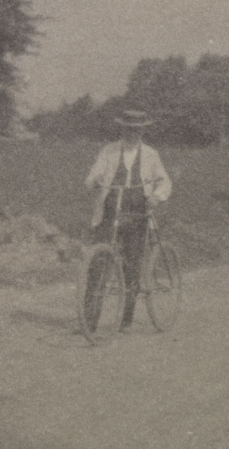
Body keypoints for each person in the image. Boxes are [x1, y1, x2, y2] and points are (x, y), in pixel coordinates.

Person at [83, 109, 172, 332]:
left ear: (143, 131)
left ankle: (126, 321)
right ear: (122, 129)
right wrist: (96, 180)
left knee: (132, 265)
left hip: (138, 214)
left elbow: (164, 181)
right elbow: (92, 177)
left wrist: (156, 196)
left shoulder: (151, 154)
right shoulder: (109, 151)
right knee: (99, 264)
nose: (133, 134)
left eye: (137, 130)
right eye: (129, 129)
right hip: (110, 212)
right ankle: (89, 322)